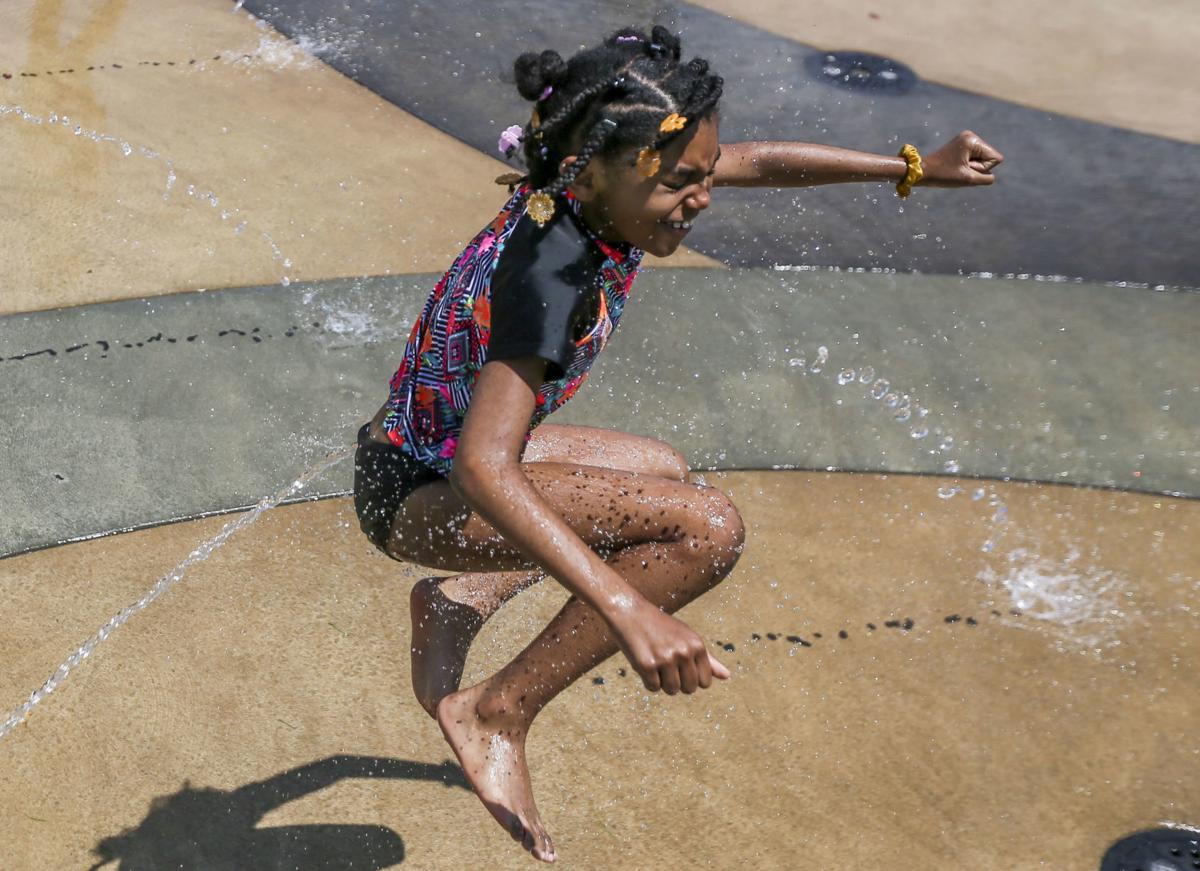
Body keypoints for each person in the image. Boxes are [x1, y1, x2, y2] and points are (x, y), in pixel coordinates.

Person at [352, 24, 1003, 863]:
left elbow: (761, 160)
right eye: (685, 183)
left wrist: (915, 167)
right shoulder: (551, 278)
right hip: (421, 499)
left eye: (704, 172)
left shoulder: (591, 183)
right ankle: (495, 711)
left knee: (658, 472)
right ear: (599, 168)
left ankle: (458, 603)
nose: (703, 198)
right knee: (706, 528)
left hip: (423, 458)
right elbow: (485, 467)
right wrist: (628, 609)